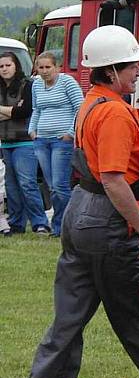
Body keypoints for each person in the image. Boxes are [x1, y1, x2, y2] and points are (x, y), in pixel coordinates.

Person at [20, 26, 139, 378]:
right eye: (132, 66)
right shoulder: (113, 114)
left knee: (69, 316)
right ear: (110, 71)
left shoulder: (96, 102)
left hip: (80, 214)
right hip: (106, 221)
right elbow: (113, 179)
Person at [29, 52, 84, 238]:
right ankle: (59, 226)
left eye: (48, 67)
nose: (44, 71)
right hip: (41, 140)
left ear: (57, 67)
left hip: (62, 141)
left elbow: (80, 107)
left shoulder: (67, 82)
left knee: (60, 186)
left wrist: (71, 133)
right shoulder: (36, 84)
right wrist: (32, 130)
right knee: (52, 186)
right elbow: (36, 109)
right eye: (41, 68)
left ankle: (71, 224)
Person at [0, 51, 49, 235]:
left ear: (16, 66)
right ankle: (16, 223)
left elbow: (25, 111)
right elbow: (16, 111)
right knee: (11, 186)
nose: (4, 69)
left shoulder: (27, 85)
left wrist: (7, 111)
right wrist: (12, 110)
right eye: (1, 66)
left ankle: (40, 223)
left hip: (25, 142)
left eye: (8, 65)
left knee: (27, 183)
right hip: (5, 142)